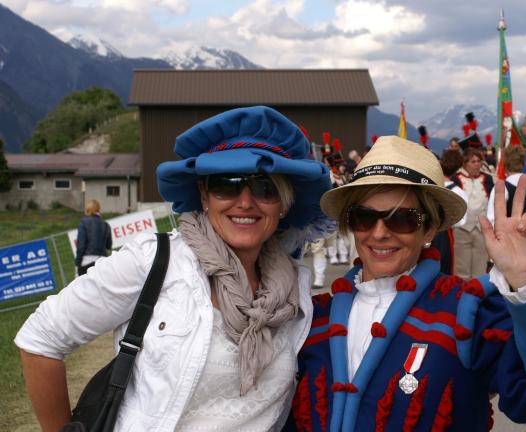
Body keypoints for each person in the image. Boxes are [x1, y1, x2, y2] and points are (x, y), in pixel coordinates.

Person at [15, 106, 332, 432]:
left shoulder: (295, 289)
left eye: (265, 188)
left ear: (284, 204)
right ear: (204, 195)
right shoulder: (153, 261)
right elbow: (41, 337)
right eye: (227, 185)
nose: (245, 201)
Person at [286, 135, 526, 431]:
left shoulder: (468, 310)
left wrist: (525, 286)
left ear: (430, 228)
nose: (379, 233)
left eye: (402, 219)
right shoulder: (312, 316)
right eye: (364, 217)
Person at [450, 147, 494, 279]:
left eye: (478, 161)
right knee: (461, 269)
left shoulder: (487, 179)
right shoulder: (456, 179)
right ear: (465, 163)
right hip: (462, 230)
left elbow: (492, 203)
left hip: (481, 229)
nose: (477, 164)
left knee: (480, 269)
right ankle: (461, 291)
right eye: (473, 161)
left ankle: (477, 291)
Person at [431, 149, 468, 274]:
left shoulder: (429, 185)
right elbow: (461, 221)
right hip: (444, 233)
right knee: (443, 265)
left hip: (426, 228)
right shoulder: (458, 191)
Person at [74, 199, 112, 276]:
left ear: (87, 209)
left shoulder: (83, 223)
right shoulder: (106, 224)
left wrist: (77, 263)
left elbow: (81, 245)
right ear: (99, 209)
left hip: (86, 262)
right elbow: (108, 245)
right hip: (102, 262)